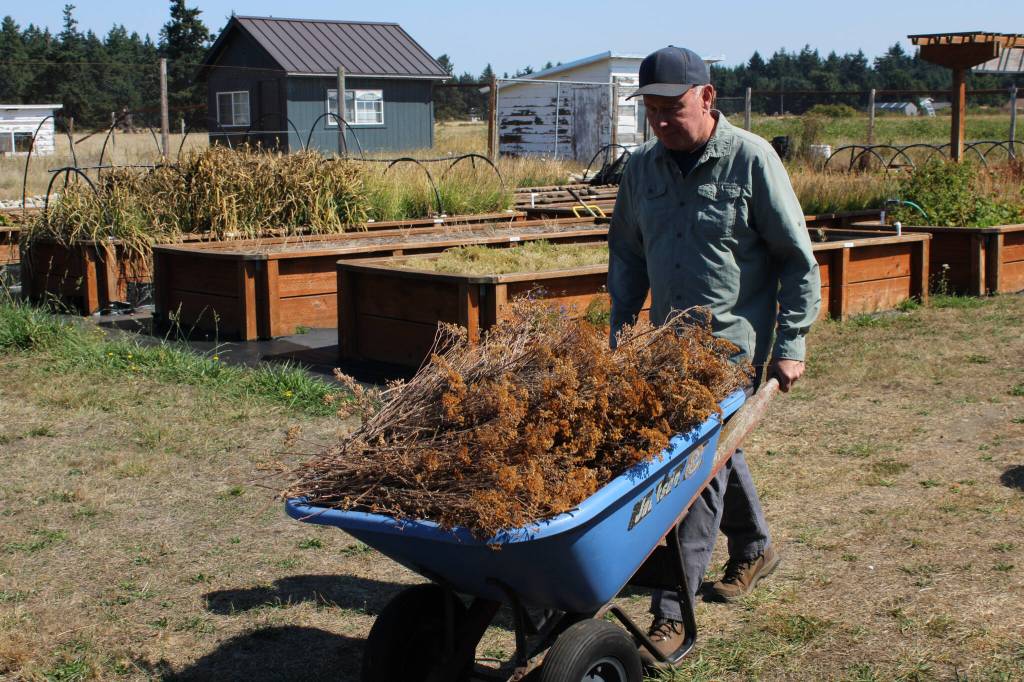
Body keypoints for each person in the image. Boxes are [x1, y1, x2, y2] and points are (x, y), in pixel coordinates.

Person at [608, 45, 821, 663]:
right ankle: (754, 547)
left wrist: (791, 344)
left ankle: (672, 613)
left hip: (731, 350)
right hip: (667, 350)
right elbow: (627, 255)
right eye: (650, 110)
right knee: (718, 452)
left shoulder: (752, 161)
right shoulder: (642, 169)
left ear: (707, 98)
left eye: (672, 108)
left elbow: (796, 261)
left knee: (694, 473)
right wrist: (622, 332)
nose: (661, 121)